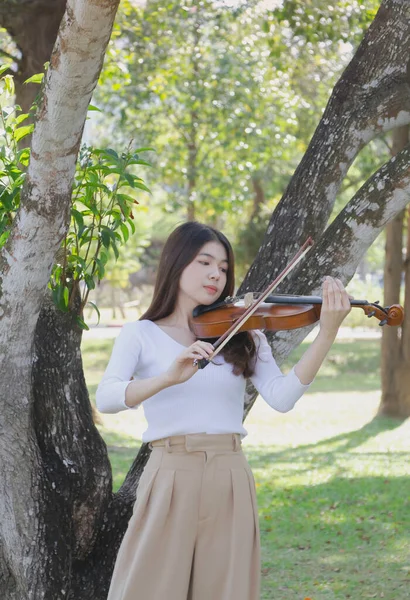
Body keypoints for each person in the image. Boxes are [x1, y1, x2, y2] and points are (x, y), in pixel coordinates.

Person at [96, 221, 352, 600]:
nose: (216, 274)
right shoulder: (141, 333)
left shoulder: (243, 334)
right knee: (149, 588)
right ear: (177, 263)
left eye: (223, 267)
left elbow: (282, 397)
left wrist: (326, 333)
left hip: (229, 473)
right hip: (170, 472)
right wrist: (168, 377)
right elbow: (107, 397)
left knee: (224, 589)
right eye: (205, 262)